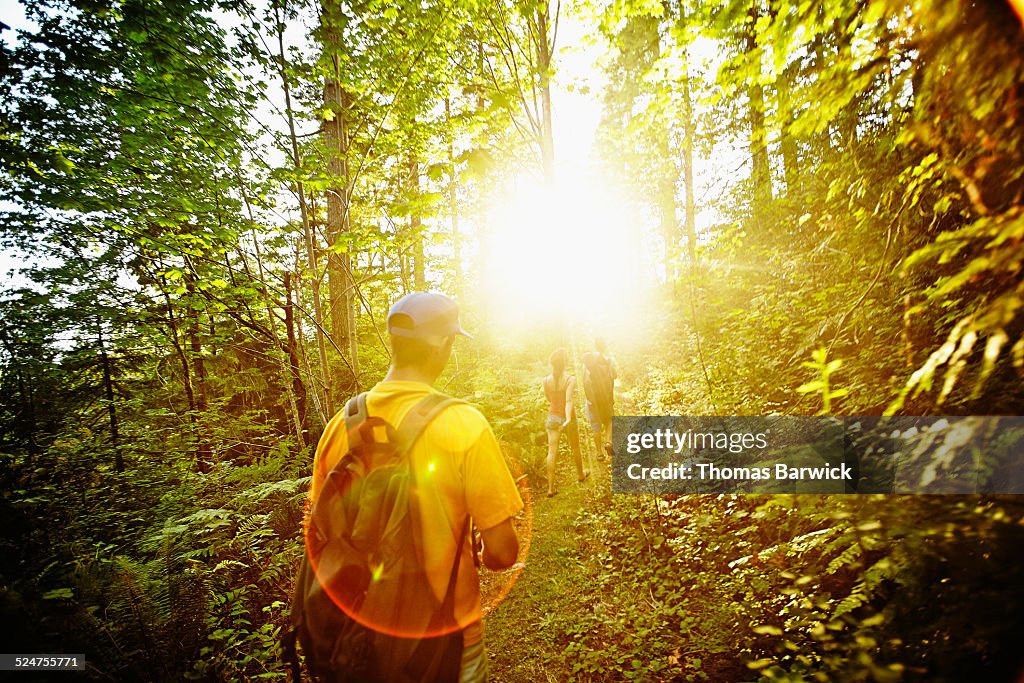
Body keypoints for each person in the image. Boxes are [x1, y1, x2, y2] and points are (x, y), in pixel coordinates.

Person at [309, 291, 523, 682]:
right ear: (441, 343)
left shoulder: (338, 428)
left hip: (353, 638)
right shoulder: (464, 424)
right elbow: (504, 551)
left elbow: (319, 538)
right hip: (445, 635)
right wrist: (479, 551)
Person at [542, 348, 588, 497]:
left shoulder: (546, 380)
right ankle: (581, 474)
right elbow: (568, 400)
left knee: (551, 451)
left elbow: (549, 399)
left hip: (552, 417)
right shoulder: (570, 379)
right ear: (565, 363)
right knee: (575, 447)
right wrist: (567, 418)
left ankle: (550, 488)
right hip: (569, 417)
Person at [582, 337, 617, 461]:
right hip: (606, 398)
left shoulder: (588, 361)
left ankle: (599, 453)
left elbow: (585, 380)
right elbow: (615, 375)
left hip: (592, 400)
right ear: (605, 346)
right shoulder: (609, 360)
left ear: (594, 346)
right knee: (610, 420)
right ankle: (608, 441)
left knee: (595, 425)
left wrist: (590, 397)